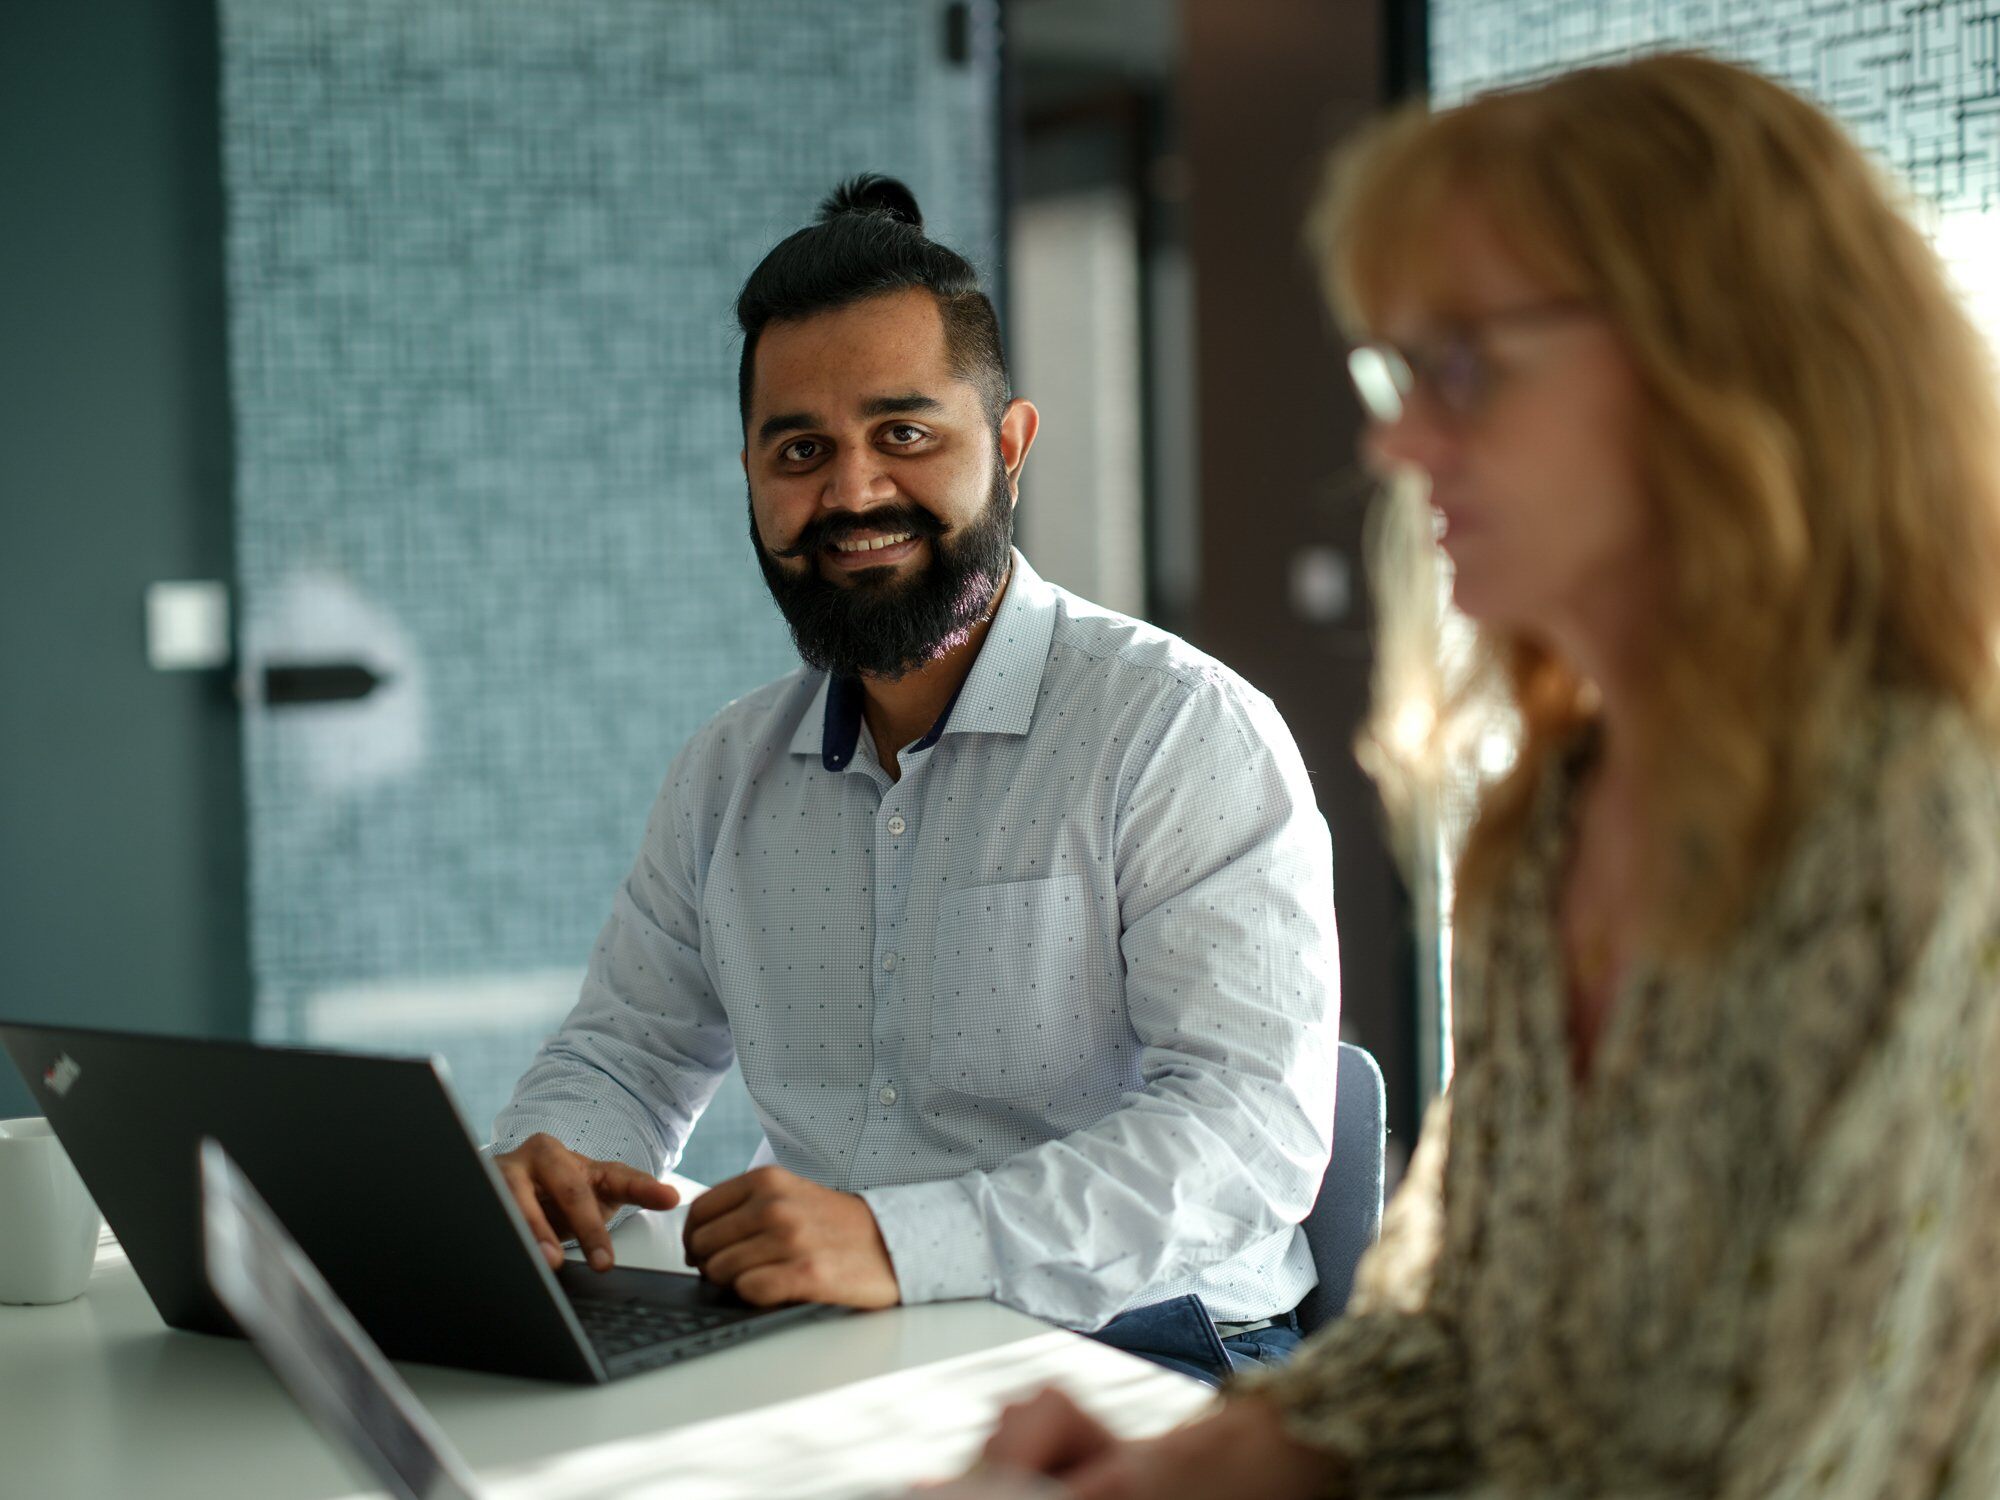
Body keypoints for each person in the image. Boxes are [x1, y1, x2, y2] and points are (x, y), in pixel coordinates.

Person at [970, 51, 2000, 1497]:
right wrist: (1187, 1468)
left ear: (1721, 365)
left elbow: (1781, 1459)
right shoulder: (1556, 815)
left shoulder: (1920, 834)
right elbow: (1457, 1342)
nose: (1393, 440)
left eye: (1462, 368)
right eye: (1396, 369)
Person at [487, 176, 1341, 1383]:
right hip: (852, 1349)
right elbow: (624, 1053)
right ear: (749, 475)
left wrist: (900, 1241)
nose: (850, 493)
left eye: (904, 435)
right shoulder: (725, 771)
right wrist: (545, 1161)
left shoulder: (1174, 730)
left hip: (1150, 1349)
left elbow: (1250, 1135)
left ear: (1006, 447)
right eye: (800, 450)